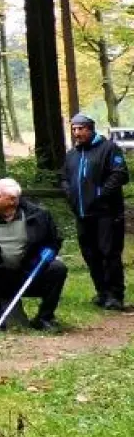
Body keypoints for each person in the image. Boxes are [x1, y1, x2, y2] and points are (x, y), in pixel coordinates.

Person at [0, 178, 68, 331]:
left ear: (12, 200)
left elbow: (53, 241)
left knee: (58, 268)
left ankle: (44, 318)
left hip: (29, 271)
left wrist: (50, 251)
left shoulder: (39, 214)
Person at [62, 112, 127, 311]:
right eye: (73, 129)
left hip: (106, 212)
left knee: (109, 253)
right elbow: (64, 177)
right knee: (91, 254)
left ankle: (115, 295)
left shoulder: (108, 149)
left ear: (90, 129)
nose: (76, 133)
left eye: (80, 129)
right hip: (82, 214)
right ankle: (102, 292)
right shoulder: (73, 154)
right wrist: (69, 193)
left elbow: (120, 174)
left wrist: (100, 195)